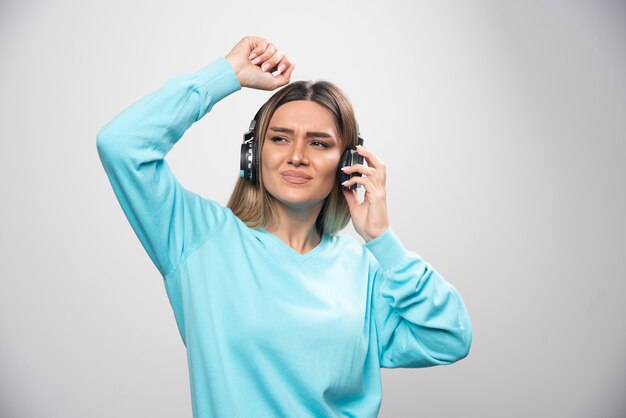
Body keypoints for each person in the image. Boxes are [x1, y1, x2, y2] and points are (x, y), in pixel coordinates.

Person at [96, 35, 472, 418]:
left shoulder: (366, 271)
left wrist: (382, 240)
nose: (296, 156)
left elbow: (449, 337)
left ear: (348, 163)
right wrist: (225, 75)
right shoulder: (198, 239)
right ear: (253, 155)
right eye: (279, 139)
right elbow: (122, 146)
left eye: (319, 144)